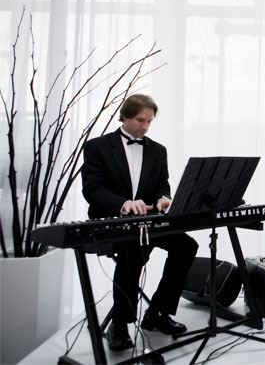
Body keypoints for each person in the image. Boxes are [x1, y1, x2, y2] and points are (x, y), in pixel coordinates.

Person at [81, 94, 198, 351]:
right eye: (140, 120)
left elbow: (162, 185)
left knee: (187, 246)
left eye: (149, 122)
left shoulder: (158, 150)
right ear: (124, 116)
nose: (145, 126)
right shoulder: (97, 147)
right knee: (132, 250)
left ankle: (157, 313)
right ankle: (120, 323)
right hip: (112, 223)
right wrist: (124, 203)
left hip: (147, 222)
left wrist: (164, 199)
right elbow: (92, 189)